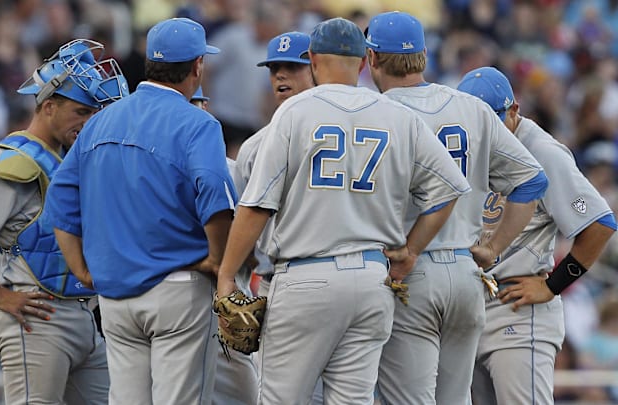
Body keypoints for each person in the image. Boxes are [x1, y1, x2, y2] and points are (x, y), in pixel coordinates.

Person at [216, 17, 471, 405]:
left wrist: (227, 274)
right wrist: (412, 250)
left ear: (313, 59)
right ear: (365, 62)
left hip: (307, 277)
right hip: (373, 279)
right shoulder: (397, 116)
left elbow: (256, 206)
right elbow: (450, 188)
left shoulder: (296, 111)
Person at [45, 18, 236, 405]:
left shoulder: (100, 121)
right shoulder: (198, 123)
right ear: (197, 66)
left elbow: (59, 199)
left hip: (115, 294)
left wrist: (81, 268)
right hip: (178, 287)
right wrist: (219, 261)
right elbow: (215, 189)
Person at [0, 38, 128, 404]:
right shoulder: (11, 162)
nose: (90, 122)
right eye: (81, 112)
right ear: (48, 106)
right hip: (38, 319)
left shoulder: (75, 160)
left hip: (87, 317)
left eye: (94, 113)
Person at [365, 11, 549, 405]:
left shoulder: (375, 114)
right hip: (467, 272)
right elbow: (531, 181)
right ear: (424, 55)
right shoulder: (471, 107)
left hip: (408, 271)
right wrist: (493, 248)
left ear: (372, 59)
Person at [457, 66, 617, 405]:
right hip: (467, 305)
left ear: (514, 110)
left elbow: (599, 222)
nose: (483, 131)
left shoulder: (544, 153)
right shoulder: (462, 143)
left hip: (516, 305)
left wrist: (552, 285)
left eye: (493, 119)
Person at [190, 86, 261, 405]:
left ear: (206, 106)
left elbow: (257, 251)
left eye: (195, 104)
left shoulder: (234, 170)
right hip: (187, 306)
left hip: (225, 313)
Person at [235, 30, 314, 298]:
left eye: (292, 66)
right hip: (278, 275)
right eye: (274, 68)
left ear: (317, 67)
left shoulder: (345, 133)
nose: (280, 75)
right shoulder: (254, 146)